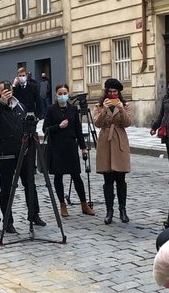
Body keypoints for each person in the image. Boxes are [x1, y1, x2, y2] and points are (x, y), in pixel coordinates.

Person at [0, 81, 44, 233]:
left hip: (24, 152)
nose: (7, 92)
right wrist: (2, 102)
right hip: (6, 154)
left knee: (30, 184)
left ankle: (34, 214)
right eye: (3, 91)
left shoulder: (20, 106)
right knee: (6, 189)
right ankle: (8, 221)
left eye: (9, 90)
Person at [44, 83, 94, 218]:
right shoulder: (51, 109)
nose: (62, 96)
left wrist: (83, 147)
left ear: (68, 93)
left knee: (76, 176)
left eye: (64, 93)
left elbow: (78, 129)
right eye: (60, 93)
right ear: (56, 94)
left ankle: (84, 204)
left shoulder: (73, 109)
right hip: (57, 148)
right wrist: (58, 126)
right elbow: (45, 129)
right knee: (58, 177)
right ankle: (62, 204)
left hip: (71, 147)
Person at [95, 78, 132, 224]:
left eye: (115, 92)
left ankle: (122, 210)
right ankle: (109, 211)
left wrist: (121, 108)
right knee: (108, 179)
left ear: (119, 93)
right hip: (105, 142)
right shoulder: (99, 105)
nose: (112, 94)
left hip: (119, 141)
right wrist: (104, 109)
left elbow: (127, 122)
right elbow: (97, 123)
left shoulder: (125, 105)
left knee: (121, 178)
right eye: (109, 92)